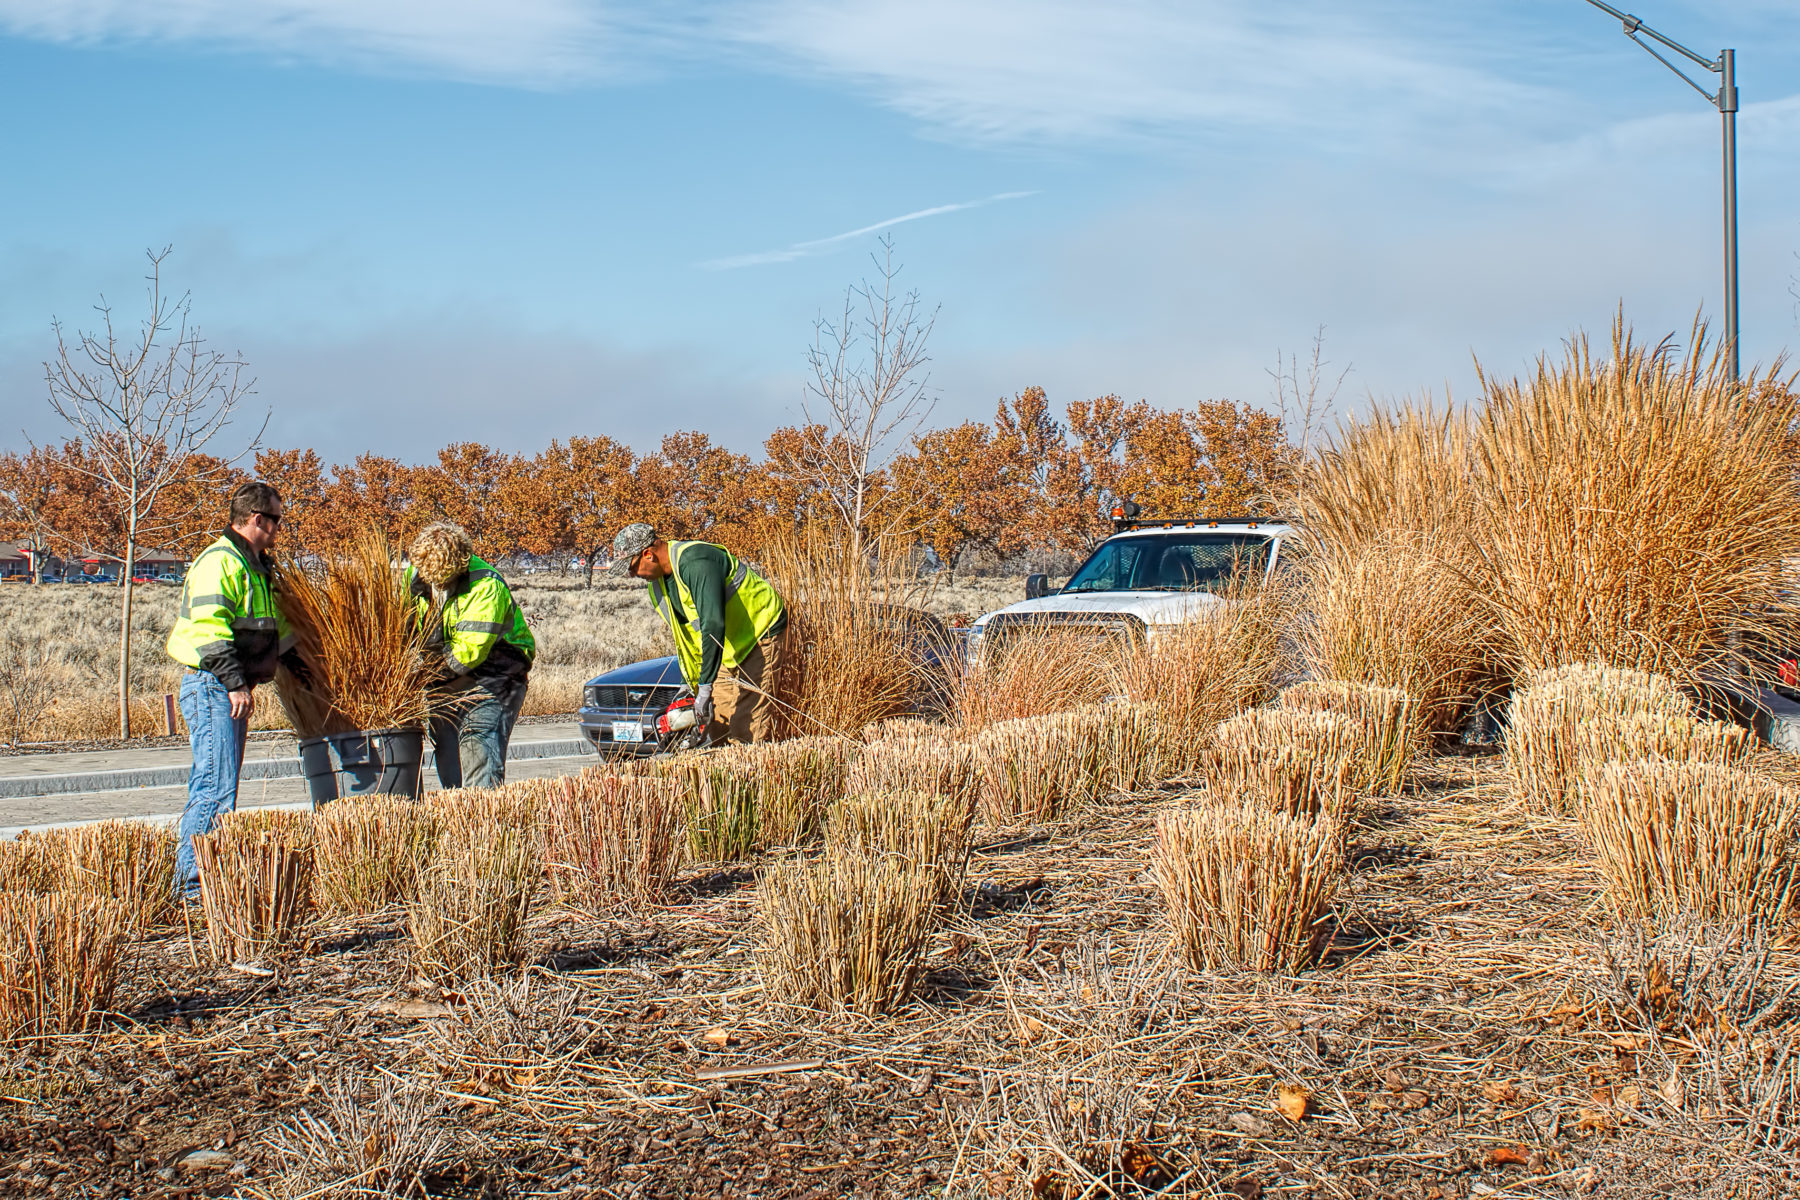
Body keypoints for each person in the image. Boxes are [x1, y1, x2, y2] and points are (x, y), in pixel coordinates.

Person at [166, 480, 306, 900]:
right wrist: (234, 683)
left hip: (226, 687)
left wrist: (303, 665)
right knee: (213, 788)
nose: (280, 530)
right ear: (257, 519)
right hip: (213, 686)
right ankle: (192, 886)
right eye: (277, 521)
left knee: (218, 785)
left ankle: (201, 878)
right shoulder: (220, 561)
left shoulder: (252, 566)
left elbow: (272, 629)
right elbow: (210, 631)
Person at [610, 523, 788, 745]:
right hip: (726, 647)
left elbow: (712, 624)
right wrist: (690, 683)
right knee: (718, 724)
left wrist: (704, 685)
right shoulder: (657, 587)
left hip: (760, 631)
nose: (631, 574)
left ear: (648, 554)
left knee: (746, 725)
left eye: (632, 567)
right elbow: (688, 638)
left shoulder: (696, 561)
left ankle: (749, 772)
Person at [405, 523, 535, 790]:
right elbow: (402, 624)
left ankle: (484, 818)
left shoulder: (485, 586)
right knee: (448, 758)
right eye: (430, 577)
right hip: (443, 679)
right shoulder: (416, 574)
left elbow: (468, 653)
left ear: (460, 565)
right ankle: (460, 822)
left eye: (443, 578)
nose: (436, 584)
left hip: (494, 678)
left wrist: (422, 675)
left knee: (478, 752)